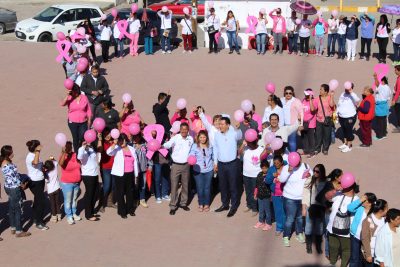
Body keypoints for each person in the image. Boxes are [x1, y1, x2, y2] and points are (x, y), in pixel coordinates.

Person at [279, 153, 312, 247]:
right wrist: (288, 171)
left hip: (302, 197)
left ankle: (299, 233)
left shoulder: (306, 166)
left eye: (298, 162)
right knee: (290, 219)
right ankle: (286, 236)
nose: (296, 165)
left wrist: (309, 175)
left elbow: (312, 177)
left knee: (300, 218)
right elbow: (281, 180)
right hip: (290, 198)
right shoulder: (286, 168)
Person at [213, 116, 242, 217]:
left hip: (232, 164)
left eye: (222, 124)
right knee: (223, 185)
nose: (219, 126)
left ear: (228, 125)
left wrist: (238, 128)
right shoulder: (217, 135)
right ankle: (225, 204)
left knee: (233, 186)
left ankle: (233, 206)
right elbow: (215, 149)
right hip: (221, 164)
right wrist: (215, 163)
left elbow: (240, 135)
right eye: (219, 124)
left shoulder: (233, 133)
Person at [326, 179, 359, 267]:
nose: (342, 188)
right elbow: (327, 197)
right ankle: (332, 263)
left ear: (351, 189)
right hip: (332, 228)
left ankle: (343, 265)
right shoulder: (338, 194)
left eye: (345, 187)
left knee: (346, 250)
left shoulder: (357, 199)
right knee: (333, 247)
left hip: (347, 231)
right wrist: (335, 190)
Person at [163, 123, 193, 215]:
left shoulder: (190, 139)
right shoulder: (176, 137)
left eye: (185, 129)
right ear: (180, 130)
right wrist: (161, 145)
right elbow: (168, 145)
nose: (184, 131)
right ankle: (173, 206)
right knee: (174, 186)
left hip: (186, 165)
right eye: (182, 129)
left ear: (188, 130)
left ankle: (183, 203)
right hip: (175, 165)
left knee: (185, 185)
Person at [1, 145, 31, 237]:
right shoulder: (7, 165)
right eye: (11, 152)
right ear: (8, 154)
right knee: (17, 209)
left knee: (11, 207)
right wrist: (22, 185)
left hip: (8, 187)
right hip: (14, 188)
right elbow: (14, 178)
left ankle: (13, 227)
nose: (13, 153)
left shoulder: (3, 162)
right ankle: (19, 231)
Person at [107, 133, 139, 219]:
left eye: (123, 140)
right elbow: (109, 152)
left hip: (130, 174)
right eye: (120, 140)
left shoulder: (132, 149)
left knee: (130, 192)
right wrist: (114, 143)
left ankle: (130, 210)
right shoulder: (117, 149)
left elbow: (135, 162)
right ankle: (122, 211)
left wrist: (136, 174)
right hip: (119, 175)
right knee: (120, 193)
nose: (122, 142)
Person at [347, 192, 377, 267]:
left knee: (364, 257)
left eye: (364, 200)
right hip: (355, 237)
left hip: (367, 239)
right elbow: (349, 208)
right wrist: (360, 200)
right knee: (354, 258)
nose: (362, 200)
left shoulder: (373, 213)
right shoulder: (360, 208)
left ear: (369, 203)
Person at [302, 164, 327, 254]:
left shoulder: (326, 182)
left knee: (319, 228)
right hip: (311, 207)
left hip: (320, 208)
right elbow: (305, 194)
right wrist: (304, 207)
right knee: (308, 227)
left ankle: (318, 246)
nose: (315, 173)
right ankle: (308, 246)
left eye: (317, 171)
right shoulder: (310, 180)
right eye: (314, 171)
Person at [60, 84, 92, 153]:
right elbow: (62, 104)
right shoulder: (70, 97)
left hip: (83, 121)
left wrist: (89, 119)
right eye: (74, 92)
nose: (76, 94)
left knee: (82, 137)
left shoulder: (84, 97)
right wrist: (67, 96)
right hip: (72, 122)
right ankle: (77, 153)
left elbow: (88, 109)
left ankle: (82, 151)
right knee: (75, 138)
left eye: (77, 92)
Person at [242, 136, 269, 216]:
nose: (250, 144)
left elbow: (264, 159)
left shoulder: (261, 149)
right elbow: (239, 152)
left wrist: (267, 150)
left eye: (252, 143)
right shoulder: (246, 148)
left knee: (255, 193)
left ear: (256, 141)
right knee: (248, 191)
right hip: (246, 174)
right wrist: (243, 145)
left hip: (256, 176)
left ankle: (254, 208)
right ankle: (249, 205)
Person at [25, 140, 48, 230]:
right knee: (41, 202)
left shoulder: (35, 155)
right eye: (39, 145)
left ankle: (35, 219)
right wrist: (38, 152)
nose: (41, 146)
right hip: (34, 182)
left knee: (37, 200)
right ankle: (39, 222)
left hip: (40, 180)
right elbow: (35, 163)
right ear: (35, 148)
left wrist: (43, 169)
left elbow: (38, 164)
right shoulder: (30, 156)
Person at [189, 130, 214, 212]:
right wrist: (191, 158)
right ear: (198, 138)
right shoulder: (194, 146)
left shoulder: (210, 146)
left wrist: (215, 164)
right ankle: (200, 203)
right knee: (200, 188)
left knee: (207, 188)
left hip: (209, 170)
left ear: (206, 138)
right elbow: (191, 154)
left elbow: (213, 156)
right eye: (201, 137)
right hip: (198, 171)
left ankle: (206, 204)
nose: (202, 139)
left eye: (204, 137)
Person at [59, 141, 82, 225]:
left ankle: (74, 213)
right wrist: (64, 153)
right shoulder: (63, 156)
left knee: (74, 199)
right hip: (67, 183)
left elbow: (80, 164)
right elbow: (61, 164)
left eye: (70, 146)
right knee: (68, 200)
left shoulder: (75, 155)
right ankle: (69, 216)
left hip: (77, 182)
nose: (69, 148)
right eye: (67, 147)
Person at [77, 140, 100, 221]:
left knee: (95, 193)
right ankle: (88, 214)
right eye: (84, 141)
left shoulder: (91, 148)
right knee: (89, 194)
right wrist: (83, 146)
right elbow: (79, 157)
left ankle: (92, 210)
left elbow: (96, 156)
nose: (87, 142)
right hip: (87, 175)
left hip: (94, 174)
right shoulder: (81, 150)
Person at [361, 199, 388, 267]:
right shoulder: (367, 221)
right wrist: (368, 255)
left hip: (381, 254)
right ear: (381, 210)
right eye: (387, 208)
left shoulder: (385, 220)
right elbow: (365, 238)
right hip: (371, 254)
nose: (388, 209)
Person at [265, 154, 287, 236]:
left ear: (281, 162)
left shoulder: (286, 168)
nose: (276, 165)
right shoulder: (271, 169)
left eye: (278, 163)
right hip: (275, 195)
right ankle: (279, 228)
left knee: (285, 211)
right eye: (274, 163)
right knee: (278, 211)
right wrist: (271, 176)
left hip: (286, 194)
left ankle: (286, 228)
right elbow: (267, 181)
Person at [337, 83, 360, 153]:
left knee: (349, 131)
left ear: (351, 88)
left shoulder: (353, 95)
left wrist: (351, 92)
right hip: (341, 116)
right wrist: (337, 112)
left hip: (350, 116)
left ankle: (349, 146)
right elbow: (339, 103)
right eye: (345, 89)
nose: (346, 90)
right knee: (344, 130)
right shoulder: (342, 94)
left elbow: (357, 100)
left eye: (348, 89)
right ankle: (345, 143)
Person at [97, 128, 116, 212]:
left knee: (113, 185)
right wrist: (100, 139)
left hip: (115, 168)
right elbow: (100, 150)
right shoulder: (102, 143)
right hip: (105, 168)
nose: (107, 136)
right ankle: (101, 204)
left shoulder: (114, 142)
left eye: (108, 134)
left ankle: (110, 202)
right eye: (105, 134)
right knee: (106, 186)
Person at [280, 86, 304, 152]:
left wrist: (301, 124)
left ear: (292, 93)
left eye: (290, 93)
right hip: (282, 125)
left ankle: (293, 155)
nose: (288, 94)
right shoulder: (281, 100)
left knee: (291, 141)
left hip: (292, 125)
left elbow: (301, 113)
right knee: (282, 141)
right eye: (286, 93)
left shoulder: (296, 101)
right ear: (284, 93)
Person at [131, 133, 151, 208]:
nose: (136, 138)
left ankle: (142, 199)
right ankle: (135, 199)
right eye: (135, 136)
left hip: (143, 168)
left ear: (140, 137)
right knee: (135, 185)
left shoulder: (145, 145)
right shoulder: (131, 146)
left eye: (138, 136)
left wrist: (150, 165)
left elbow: (149, 155)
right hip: (134, 169)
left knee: (143, 184)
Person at [315, 84, 335, 155]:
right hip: (319, 120)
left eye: (321, 89)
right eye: (320, 89)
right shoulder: (317, 98)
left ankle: (325, 149)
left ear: (326, 92)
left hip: (327, 120)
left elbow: (332, 105)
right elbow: (314, 108)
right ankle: (317, 148)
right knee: (318, 135)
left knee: (327, 135)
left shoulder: (329, 97)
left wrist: (332, 96)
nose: (320, 91)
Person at [254, 161, 272, 230]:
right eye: (263, 168)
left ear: (268, 167)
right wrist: (255, 193)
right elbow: (256, 185)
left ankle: (268, 223)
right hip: (260, 195)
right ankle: (261, 221)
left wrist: (271, 196)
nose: (264, 169)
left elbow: (271, 185)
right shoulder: (259, 174)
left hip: (267, 196)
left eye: (266, 168)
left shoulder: (270, 175)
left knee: (267, 210)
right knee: (261, 209)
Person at [301, 89, 318, 157]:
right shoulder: (303, 100)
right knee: (304, 137)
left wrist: (310, 100)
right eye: (305, 94)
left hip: (310, 123)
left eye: (307, 95)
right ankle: (306, 150)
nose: (305, 95)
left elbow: (312, 110)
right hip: (303, 122)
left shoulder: (314, 101)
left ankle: (312, 152)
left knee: (311, 138)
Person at [374, 74, 391, 140]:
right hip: (385, 105)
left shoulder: (382, 86)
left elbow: (377, 84)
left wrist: (375, 78)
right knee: (384, 120)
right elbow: (388, 97)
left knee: (379, 122)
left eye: (381, 81)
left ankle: (379, 136)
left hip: (379, 105)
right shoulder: (388, 88)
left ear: (383, 81)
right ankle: (384, 134)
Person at [392, 65, 400, 132]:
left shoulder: (399, 79)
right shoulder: (398, 77)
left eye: (396, 70)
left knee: (398, 113)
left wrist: (394, 100)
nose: (395, 71)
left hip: (398, 99)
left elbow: (398, 91)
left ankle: (399, 127)